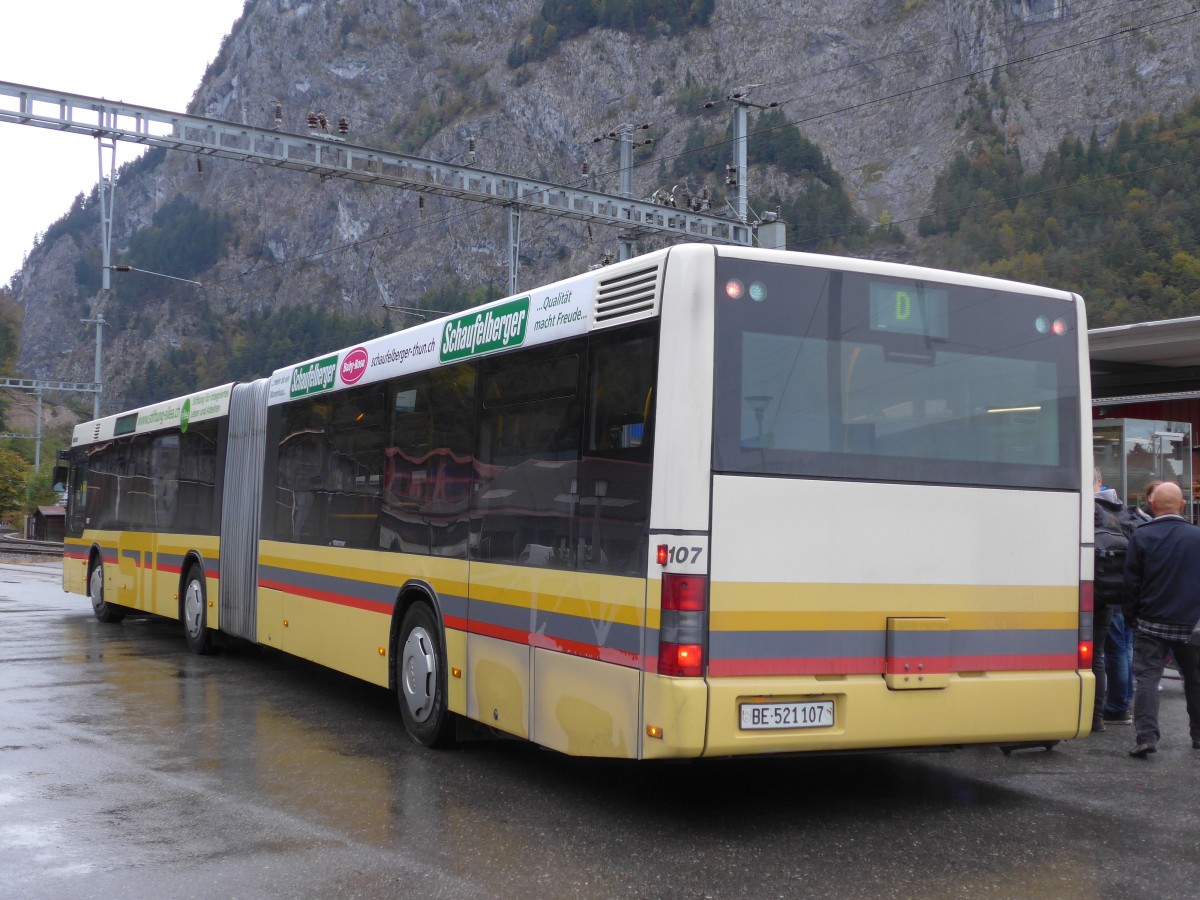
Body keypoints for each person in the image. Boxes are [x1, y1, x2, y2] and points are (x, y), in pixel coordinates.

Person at [1122, 480, 1200, 758]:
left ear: (1152, 505)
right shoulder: (1197, 536)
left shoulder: (1141, 536)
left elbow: (1131, 584)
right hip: (1191, 623)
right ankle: (1198, 735)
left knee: (1147, 678)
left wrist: (1132, 618)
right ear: (1182, 505)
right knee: (1195, 679)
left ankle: (1146, 737)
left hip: (1151, 622)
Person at [1101, 480, 1158, 725]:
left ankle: (1118, 705)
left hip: (1108, 590)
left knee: (1116, 649)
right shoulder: (1127, 514)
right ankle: (1124, 700)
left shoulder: (1100, 513)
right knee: (1125, 647)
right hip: (1127, 592)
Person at [1092, 468, 1142, 731]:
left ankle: (1114, 707)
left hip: (1097, 587)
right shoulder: (1122, 509)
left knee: (1104, 650)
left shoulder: (1091, 510)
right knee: (1120, 647)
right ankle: (1120, 705)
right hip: (1120, 587)